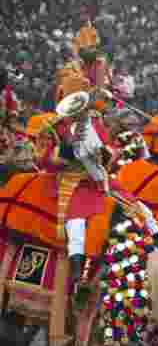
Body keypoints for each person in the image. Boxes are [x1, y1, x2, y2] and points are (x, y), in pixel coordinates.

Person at [35, 73, 113, 284]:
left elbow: (108, 151)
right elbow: (43, 161)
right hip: (70, 181)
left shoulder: (95, 120)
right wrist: (64, 156)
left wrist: (103, 155)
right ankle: (77, 269)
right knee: (76, 224)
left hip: (97, 179)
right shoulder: (54, 125)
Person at [54, 23, 112, 109]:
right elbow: (76, 97)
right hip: (76, 110)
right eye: (91, 47)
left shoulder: (99, 63)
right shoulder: (70, 68)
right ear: (80, 50)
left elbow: (106, 87)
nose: (94, 51)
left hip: (99, 108)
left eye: (95, 47)